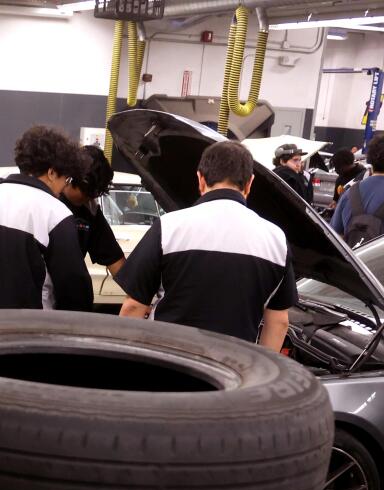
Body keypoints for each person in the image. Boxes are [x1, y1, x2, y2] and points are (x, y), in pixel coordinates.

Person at [116, 140, 296, 350]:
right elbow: (279, 321)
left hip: (168, 366)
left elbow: (133, 307)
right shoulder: (275, 239)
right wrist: (260, 375)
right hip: (236, 372)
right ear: (249, 184)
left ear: (200, 179)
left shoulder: (169, 227)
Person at [0, 124, 93, 311]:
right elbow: (73, 285)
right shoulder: (54, 212)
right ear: (51, 173)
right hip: (29, 328)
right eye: (65, 180)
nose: (63, 190)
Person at [61, 144, 125, 279]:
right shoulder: (45, 200)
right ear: (70, 177)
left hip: (67, 292)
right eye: (87, 192)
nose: (90, 197)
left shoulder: (90, 211)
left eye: (96, 193)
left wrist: (138, 293)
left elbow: (114, 260)